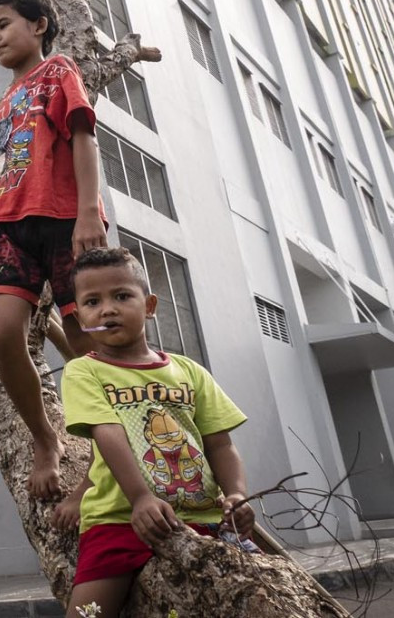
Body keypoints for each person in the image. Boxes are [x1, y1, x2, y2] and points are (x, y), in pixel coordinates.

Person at [57, 247, 255, 618]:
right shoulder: (85, 371)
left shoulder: (189, 371)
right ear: (81, 317)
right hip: (119, 520)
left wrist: (237, 495)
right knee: (88, 613)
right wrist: (141, 499)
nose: (108, 309)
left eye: (121, 296)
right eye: (92, 301)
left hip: (204, 522)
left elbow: (220, 444)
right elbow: (108, 432)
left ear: (149, 305)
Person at [0, 0, 107, 500]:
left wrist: (88, 212)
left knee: (88, 342)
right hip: (12, 229)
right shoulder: (4, 100)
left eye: (3, 25)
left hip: (66, 218)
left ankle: (106, 457)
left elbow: (83, 137)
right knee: (1, 331)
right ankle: (46, 438)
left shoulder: (58, 71)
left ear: (39, 24)